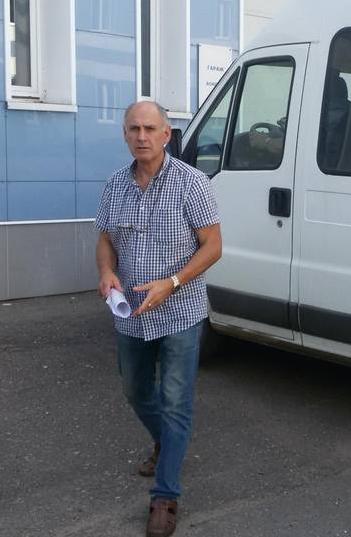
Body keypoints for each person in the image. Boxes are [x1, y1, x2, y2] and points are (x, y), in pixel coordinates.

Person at [95, 101, 222, 537]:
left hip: (180, 313)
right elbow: (106, 239)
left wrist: (173, 282)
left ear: (167, 135)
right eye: (134, 129)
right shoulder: (115, 184)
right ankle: (168, 444)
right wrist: (106, 272)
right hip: (131, 314)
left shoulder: (192, 183)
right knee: (134, 389)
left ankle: (165, 496)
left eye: (150, 128)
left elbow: (213, 246)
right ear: (125, 135)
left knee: (175, 402)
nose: (142, 136)